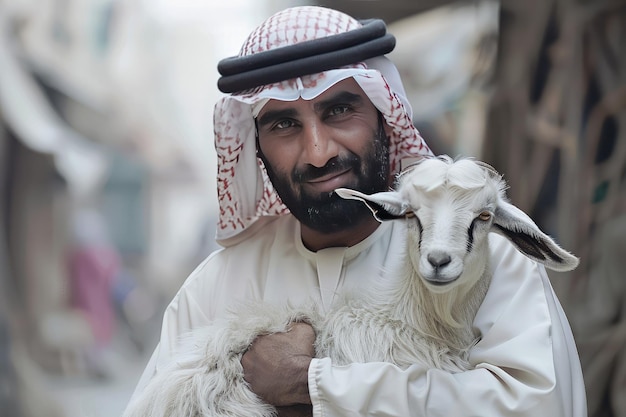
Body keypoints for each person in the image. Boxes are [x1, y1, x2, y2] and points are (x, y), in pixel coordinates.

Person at [125, 6, 587, 417]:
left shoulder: (487, 253)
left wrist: (319, 386)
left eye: (339, 110)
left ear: (386, 117)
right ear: (256, 148)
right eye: (284, 124)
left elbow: (539, 402)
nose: (318, 151)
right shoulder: (216, 286)